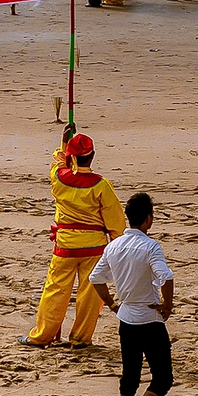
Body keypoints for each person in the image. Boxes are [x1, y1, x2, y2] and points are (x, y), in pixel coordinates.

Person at [91, 190, 174, 396]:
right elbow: (166, 277)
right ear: (148, 218)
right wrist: (168, 305)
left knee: (130, 377)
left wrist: (112, 304)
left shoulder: (114, 246)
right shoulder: (150, 246)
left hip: (126, 317)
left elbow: (96, 278)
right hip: (149, 318)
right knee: (163, 378)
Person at [26, 131, 121, 347]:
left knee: (55, 291)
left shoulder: (59, 179)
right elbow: (115, 221)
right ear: (93, 156)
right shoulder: (101, 185)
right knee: (90, 294)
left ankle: (42, 336)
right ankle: (80, 338)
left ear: (72, 157)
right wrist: (117, 246)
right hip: (94, 247)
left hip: (66, 246)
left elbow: (60, 162)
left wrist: (64, 143)